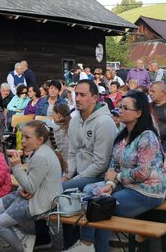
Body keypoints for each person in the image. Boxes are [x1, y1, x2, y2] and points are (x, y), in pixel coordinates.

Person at [67, 90, 166, 252]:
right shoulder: (122, 135)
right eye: (119, 107)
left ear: (138, 113)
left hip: (147, 190)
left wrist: (116, 178)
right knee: (90, 190)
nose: (119, 111)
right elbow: (113, 165)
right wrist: (111, 184)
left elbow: (143, 173)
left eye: (125, 108)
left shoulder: (147, 137)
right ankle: (91, 245)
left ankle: (88, 244)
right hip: (126, 185)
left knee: (101, 206)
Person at [34, 79, 117, 250]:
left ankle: (79, 245)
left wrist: (73, 181)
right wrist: (66, 175)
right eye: (76, 94)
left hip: (99, 177)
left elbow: (101, 164)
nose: (77, 98)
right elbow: (72, 154)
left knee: (61, 191)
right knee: (54, 188)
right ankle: (66, 244)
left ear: (94, 98)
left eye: (82, 95)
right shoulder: (76, 119)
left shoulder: (104, 122)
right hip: (80, 173)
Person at [0, 120, 63, 252]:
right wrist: (21, 189)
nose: (23, 141)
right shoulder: (38, 151)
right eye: (22, 136)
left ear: (39, 140)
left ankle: (22, 248)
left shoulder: (41, 156)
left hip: (41, 202)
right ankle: (22, 238)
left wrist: (16, 167)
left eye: (27, 137)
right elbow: (31, 181)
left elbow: (31, 187)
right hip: (32, 195)